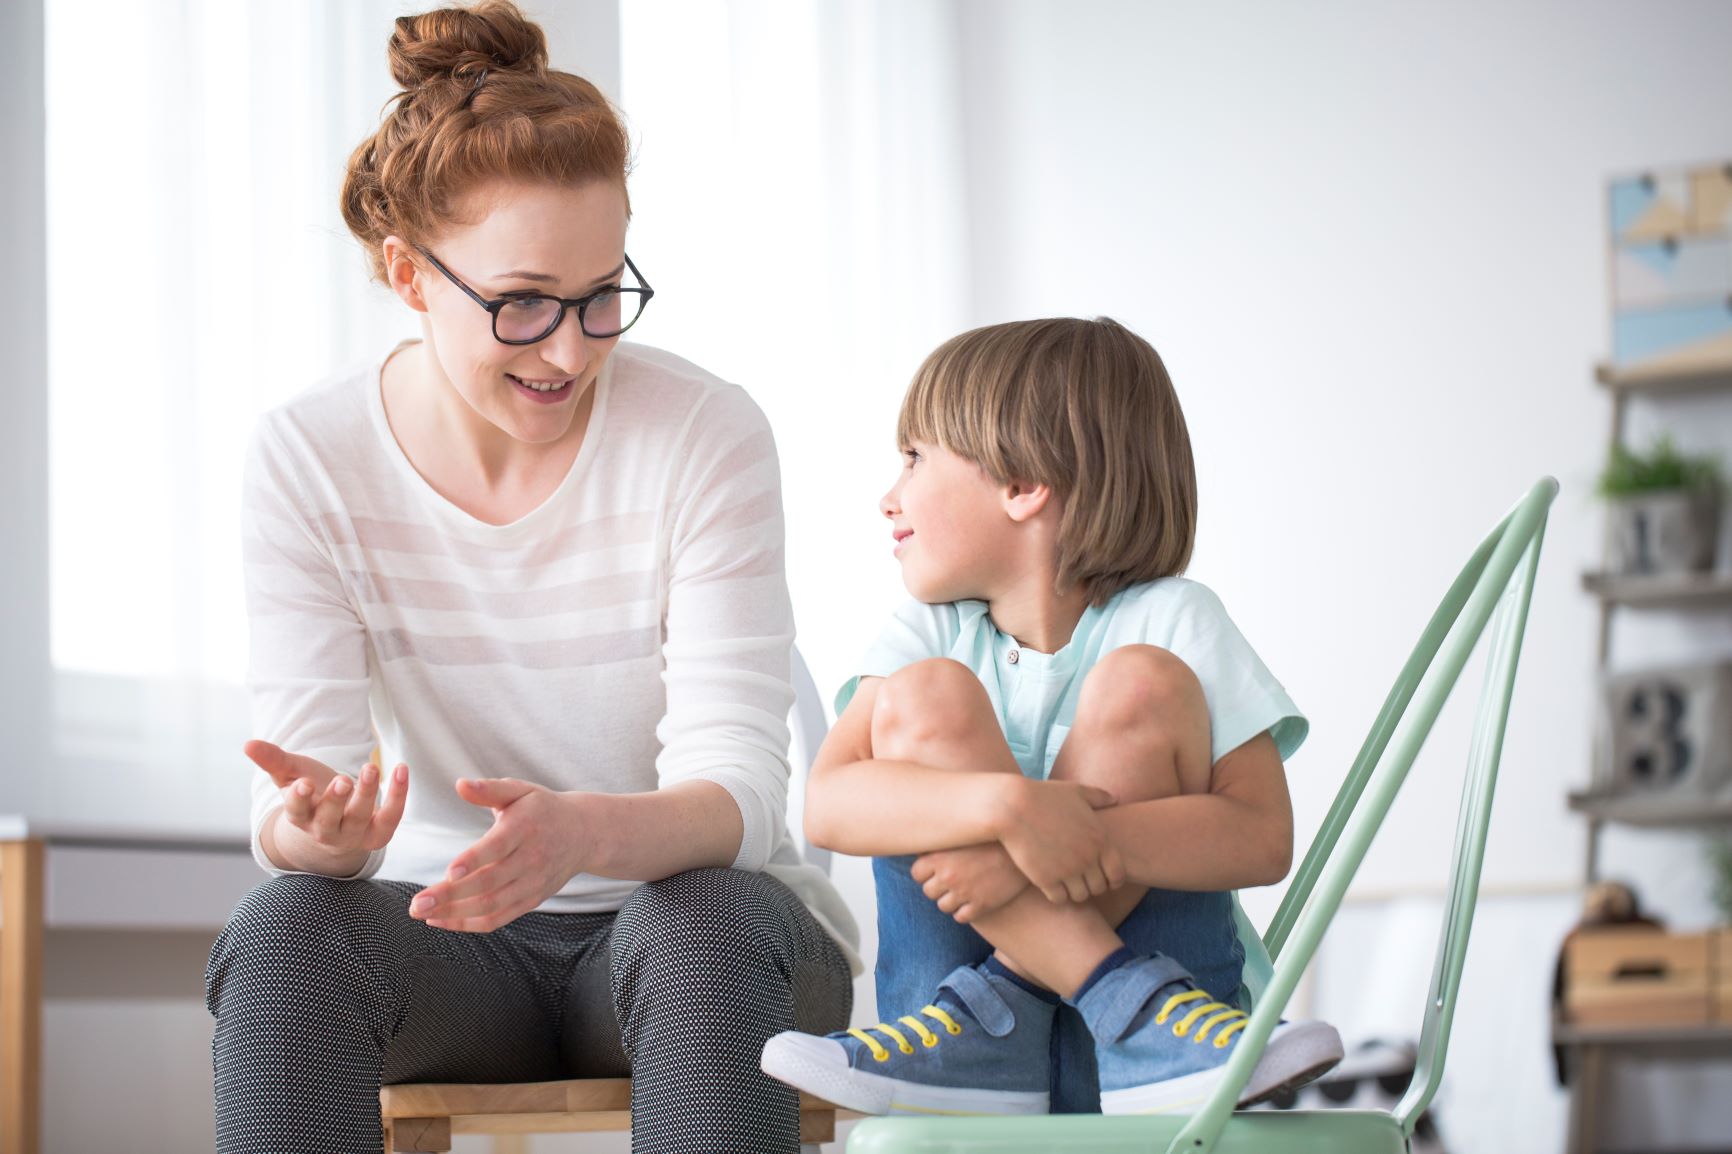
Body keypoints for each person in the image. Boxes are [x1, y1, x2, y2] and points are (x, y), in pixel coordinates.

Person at [202, 4, 857, 1152]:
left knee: (700, 917)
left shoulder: (702, 430)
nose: (571, 348)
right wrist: (322, 829)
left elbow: (743, 800)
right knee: (285, 929)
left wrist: (586, 834)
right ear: (408, 273)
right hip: (452, 949)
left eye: (603, 293)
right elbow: (295, 813)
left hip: (701, 945)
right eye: (521, 302)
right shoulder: (308, 456)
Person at [761, 317, 1341, 1116]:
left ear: (1022, 483)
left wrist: (1079, 840)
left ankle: (1068, 1011)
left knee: (1141, 684)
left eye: (915, 457)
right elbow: (828, 807)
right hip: (958, 1065)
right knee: (929, 695)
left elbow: (1261, 836)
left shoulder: (1174, 620)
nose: (888, 495)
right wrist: (1012, 810)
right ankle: (1103, 1000)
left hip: (1171, 1063)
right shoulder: (928, 635)